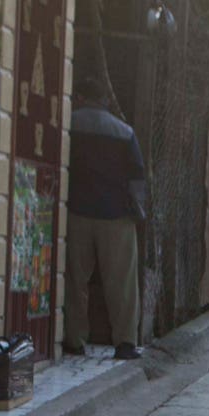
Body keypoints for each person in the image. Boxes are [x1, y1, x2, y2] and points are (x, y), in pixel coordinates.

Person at [64, 90, 147, 360]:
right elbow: (137, 177)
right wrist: (138, 210)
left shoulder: (69, 123)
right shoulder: (124, 132)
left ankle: (73, 339)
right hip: (116, 216)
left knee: (75, 279)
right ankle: (124, 342)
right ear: (107, 102)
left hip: (76, 212)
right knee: (121, 282)